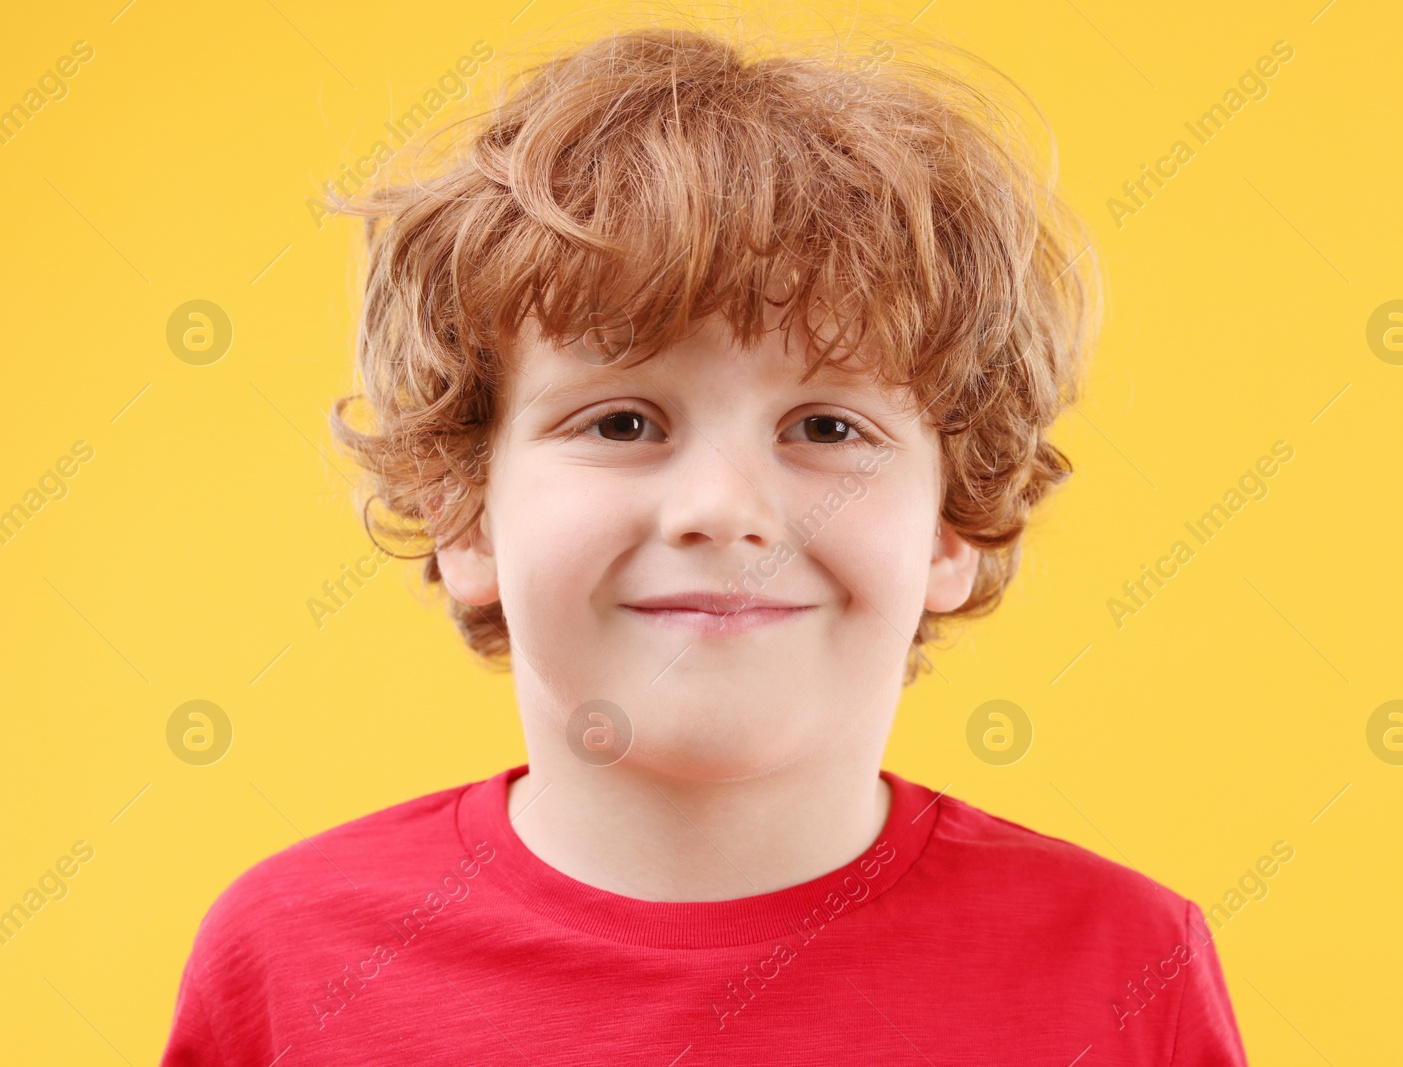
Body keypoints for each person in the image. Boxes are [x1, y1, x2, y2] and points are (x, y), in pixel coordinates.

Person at [161, 22, 1248, 1064]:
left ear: (953, 524)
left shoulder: (1124, 962)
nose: (726, 508)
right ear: (461, 511)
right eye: (622, 421)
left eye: (827, 428)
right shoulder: (287, 955)